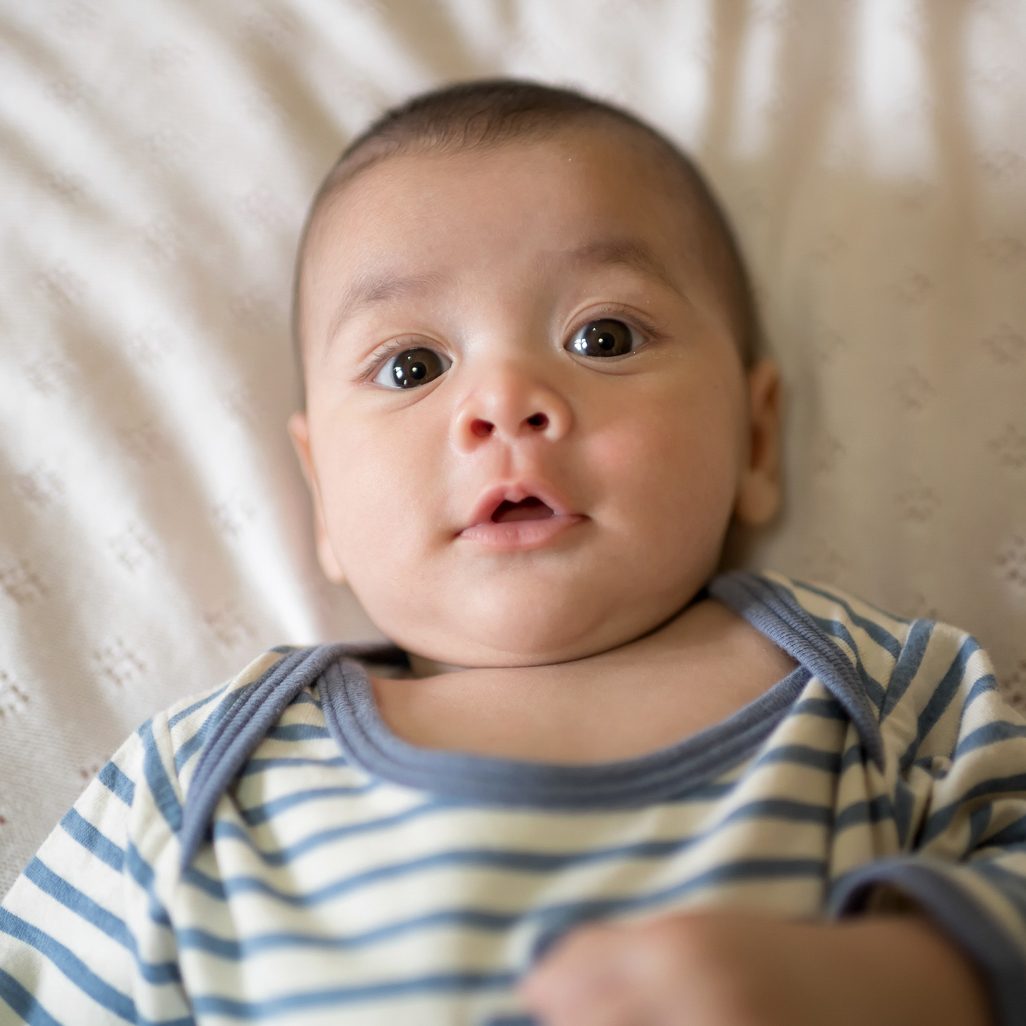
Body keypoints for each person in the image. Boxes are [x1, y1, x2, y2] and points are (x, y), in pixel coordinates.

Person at [0, 79, 1022, 1026]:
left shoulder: (882, 691)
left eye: (604, 337)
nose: (502, 404)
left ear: (755, 442)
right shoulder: (197, 779)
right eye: (412, 365)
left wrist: (888, 978)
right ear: (321, 494)